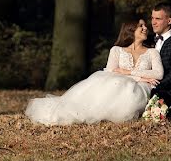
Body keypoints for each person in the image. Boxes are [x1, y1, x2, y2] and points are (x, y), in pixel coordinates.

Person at [25, 19, 163, 125]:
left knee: (127, 91)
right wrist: (140, 77)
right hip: (118, 82)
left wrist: (127, 72)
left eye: (145, 26)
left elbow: (158, 74)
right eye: (141, 26)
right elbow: (111, 71)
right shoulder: (117, 50)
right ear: (131, 29)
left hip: (139, 87)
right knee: (109, 85)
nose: (146, 28)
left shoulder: (152, 52)